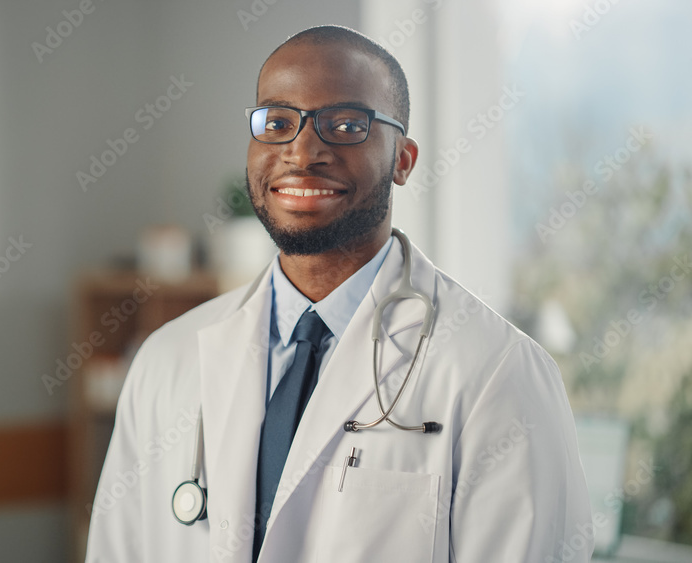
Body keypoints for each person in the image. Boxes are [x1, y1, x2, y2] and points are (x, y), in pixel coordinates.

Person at [85, 25, 593, 563]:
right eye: (277, 122)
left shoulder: (497, 372)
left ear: (403, 158)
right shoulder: (167, 360)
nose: (303, 152)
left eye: (347, 125)